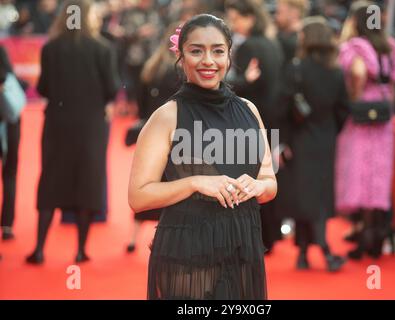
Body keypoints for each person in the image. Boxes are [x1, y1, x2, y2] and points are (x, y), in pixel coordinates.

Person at [128, 14, 277, 299]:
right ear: (181, 58)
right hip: (187, 251)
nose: (208, 60)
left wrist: (259, 187)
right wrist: (195, 182)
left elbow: (269, 182)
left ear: (229, 56)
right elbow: (138, 197)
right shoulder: (167, 116)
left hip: (243, 246)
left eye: (217, 51)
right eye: (196, 51)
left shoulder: (249, 110)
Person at [26, 0, 119, 264]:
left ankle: (40, 248)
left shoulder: (50, 48)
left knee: (51, 180)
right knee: (88, 181)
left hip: (57, 123)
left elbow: (43, 87)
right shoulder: (103, 49)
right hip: (91, 125)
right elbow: (112, 88)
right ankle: (80, 250)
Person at [335, 1, 395, 259]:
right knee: (379, 174)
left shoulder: (356, 47)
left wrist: (355, 99)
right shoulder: (391, 47)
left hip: (362, 116)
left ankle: (364, 237)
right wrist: (387, 107)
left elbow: (358, 72)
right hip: (384, 118)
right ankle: (377, 236)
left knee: (360, 174)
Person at [277, 17, 349, 271]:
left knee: (304, 196)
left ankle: (310, 251)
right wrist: (331, 130)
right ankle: (312, 251)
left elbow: (282, 108)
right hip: (325, 138)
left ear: (307, 39)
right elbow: (344, 109)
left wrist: (282, 141)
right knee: (317, 196)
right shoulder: (336, 72)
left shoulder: (296, 69)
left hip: (299, 139)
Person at [225, 0, 283, 254]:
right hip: (272, 117)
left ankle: (258, 238)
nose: (233, 24)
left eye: (236, 18)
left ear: (250, 17)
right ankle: (270, 235)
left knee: (251, 177)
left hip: (251, 119)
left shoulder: (249, 46)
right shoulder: (272, 43)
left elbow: (244, 85)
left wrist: (237, 81)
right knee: (267, 176)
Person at [125, 26, 179, 253]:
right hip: (173, 137)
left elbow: (139, 102)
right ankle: (161, 237)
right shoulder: (178, 75)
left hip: (149, 135)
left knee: (146, 184)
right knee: (169, 188)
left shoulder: (150, 67)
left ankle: (133, 238)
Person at [0, 45, 21, 242]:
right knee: (10, 173)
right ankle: (7, 224)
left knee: (10, 173)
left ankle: (7, 223)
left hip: (8, 121)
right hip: (9, 121)